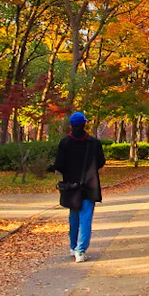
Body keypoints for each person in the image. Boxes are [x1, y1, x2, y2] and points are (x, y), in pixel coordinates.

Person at [50, 111, 106, 263]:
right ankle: (80, 251)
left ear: (71, 125)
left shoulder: (65, 143)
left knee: (73, 216)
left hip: (71, 186)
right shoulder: (94, 143)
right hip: (90, 185)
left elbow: (59, 165)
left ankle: (73, 246)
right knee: (86, 218)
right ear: (85, 124)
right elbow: (101, 162)